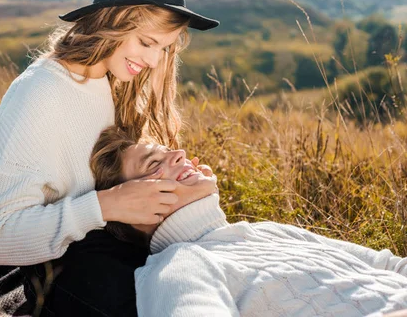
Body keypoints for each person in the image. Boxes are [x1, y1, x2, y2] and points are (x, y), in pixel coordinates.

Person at [0, 0, 220, 316]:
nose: (154, 61)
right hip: (72, 273)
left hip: (114, 250)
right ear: (113, 21)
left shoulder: (108, 82)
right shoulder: (40, 94)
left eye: (164, 48)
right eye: (146, 42)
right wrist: (109, 205)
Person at [90, 125, 407, 317]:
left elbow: (390, 266)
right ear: (134, 209)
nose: (181, 154)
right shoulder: (179, 266)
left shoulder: (268, 231)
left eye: (171, 151)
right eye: (155, 163)